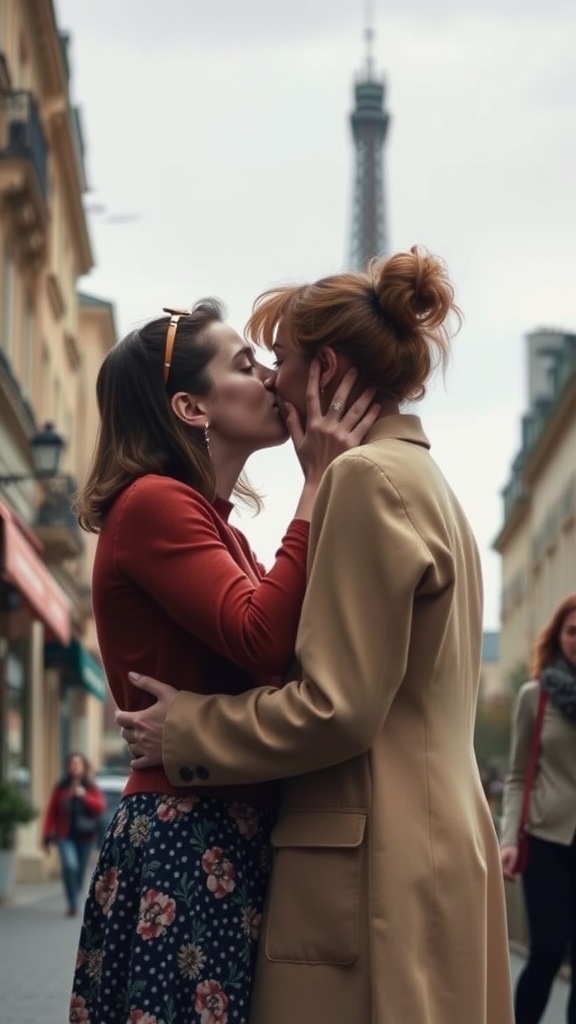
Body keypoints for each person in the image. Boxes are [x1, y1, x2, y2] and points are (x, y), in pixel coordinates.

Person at [117, 246, 514, 1024]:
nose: (272, 378)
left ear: (326, 370)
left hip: (373, 865)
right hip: (428, 844)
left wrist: (189, 729)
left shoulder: (365, 481)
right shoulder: (422, 479)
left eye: (282, 360)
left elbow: (337, 706)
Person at [68, 298, 379, 1024]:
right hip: (187, 839)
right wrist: (316, 483)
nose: (271, 378)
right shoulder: (154, 504)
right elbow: (262, 638)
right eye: (244, 364)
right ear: (189, 405)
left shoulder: (219, 529)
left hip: (222, 830)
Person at [500, 593, 576, 1024]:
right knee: (546, 951)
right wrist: (508, 839)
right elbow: (514, 776)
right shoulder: (536, 697)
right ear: (558, 636)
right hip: (547, 840)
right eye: (572, 630)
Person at [41, 751, 106, 917]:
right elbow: (51, 812)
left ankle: (75, 895)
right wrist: (46, 835)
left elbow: (100, 807)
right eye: (72, 764)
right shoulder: (61, 787)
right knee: (70, 866)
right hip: (64, 836)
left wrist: (84, 796)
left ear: (83, 768)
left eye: (78, 764)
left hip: (86, 837)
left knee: (79, 871)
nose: (75, 767)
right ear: (68, 767)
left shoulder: (90, 787)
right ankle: (72, 903)